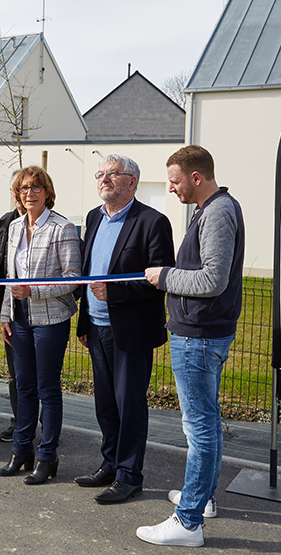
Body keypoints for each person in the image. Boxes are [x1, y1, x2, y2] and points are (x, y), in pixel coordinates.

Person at [139, 145, 244, 548]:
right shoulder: (212, 209)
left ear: (196, 177)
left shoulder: (217, 211)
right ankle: (204, 499)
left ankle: (188, 522)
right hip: (202, 334)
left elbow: (211, 280)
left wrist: (163, 276)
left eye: (175, 180)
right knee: (206, 424)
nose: (171, 189)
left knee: (199, 428)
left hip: (198, 337)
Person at [74, 155, 175, 504]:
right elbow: (89, 273)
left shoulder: (152, 221)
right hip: (97, 328)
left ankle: (130, 475)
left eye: (112, 174)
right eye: (100, 174)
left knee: (128, 403)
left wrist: (114, 292)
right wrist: (85, 321)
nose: (104, 179)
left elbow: (161, 278)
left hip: (130, 331)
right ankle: (111, 463)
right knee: (105, 403)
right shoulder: (93, 218)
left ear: (131, 181)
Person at [0, 166, 80, 484]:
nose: (29, 193)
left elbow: (74, 280)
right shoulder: (15, 227)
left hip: (51, 320)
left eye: (35, 187)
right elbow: (9, 278)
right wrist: (6, 314)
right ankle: (21, 451)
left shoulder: (63, 228)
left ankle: (47, 456)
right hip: (19, 319)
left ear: (47, 192)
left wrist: (35, 290)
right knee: (24, 387)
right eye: (23, 188)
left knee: (48, 389)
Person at [0, 170, 24, 442]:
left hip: (43, 314)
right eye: (16, 190)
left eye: (25, 189)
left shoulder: (56, 225)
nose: (20, 195)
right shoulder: (5, 221)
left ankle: (45, 425)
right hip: (8, 310)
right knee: (15, 374)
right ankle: (19, 421)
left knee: (39, 376)